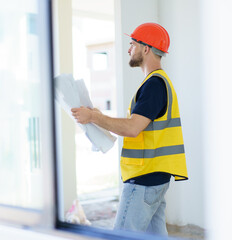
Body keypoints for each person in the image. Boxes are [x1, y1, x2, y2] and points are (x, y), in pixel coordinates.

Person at [71, 22, 188, 235]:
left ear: (146, 48)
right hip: (156, 179)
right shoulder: (158, 83)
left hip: (143, 180)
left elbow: (133, 128)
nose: (129, 49)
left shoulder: (154, 85)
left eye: (132, 44)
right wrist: (97, 116)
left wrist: (94, 117)